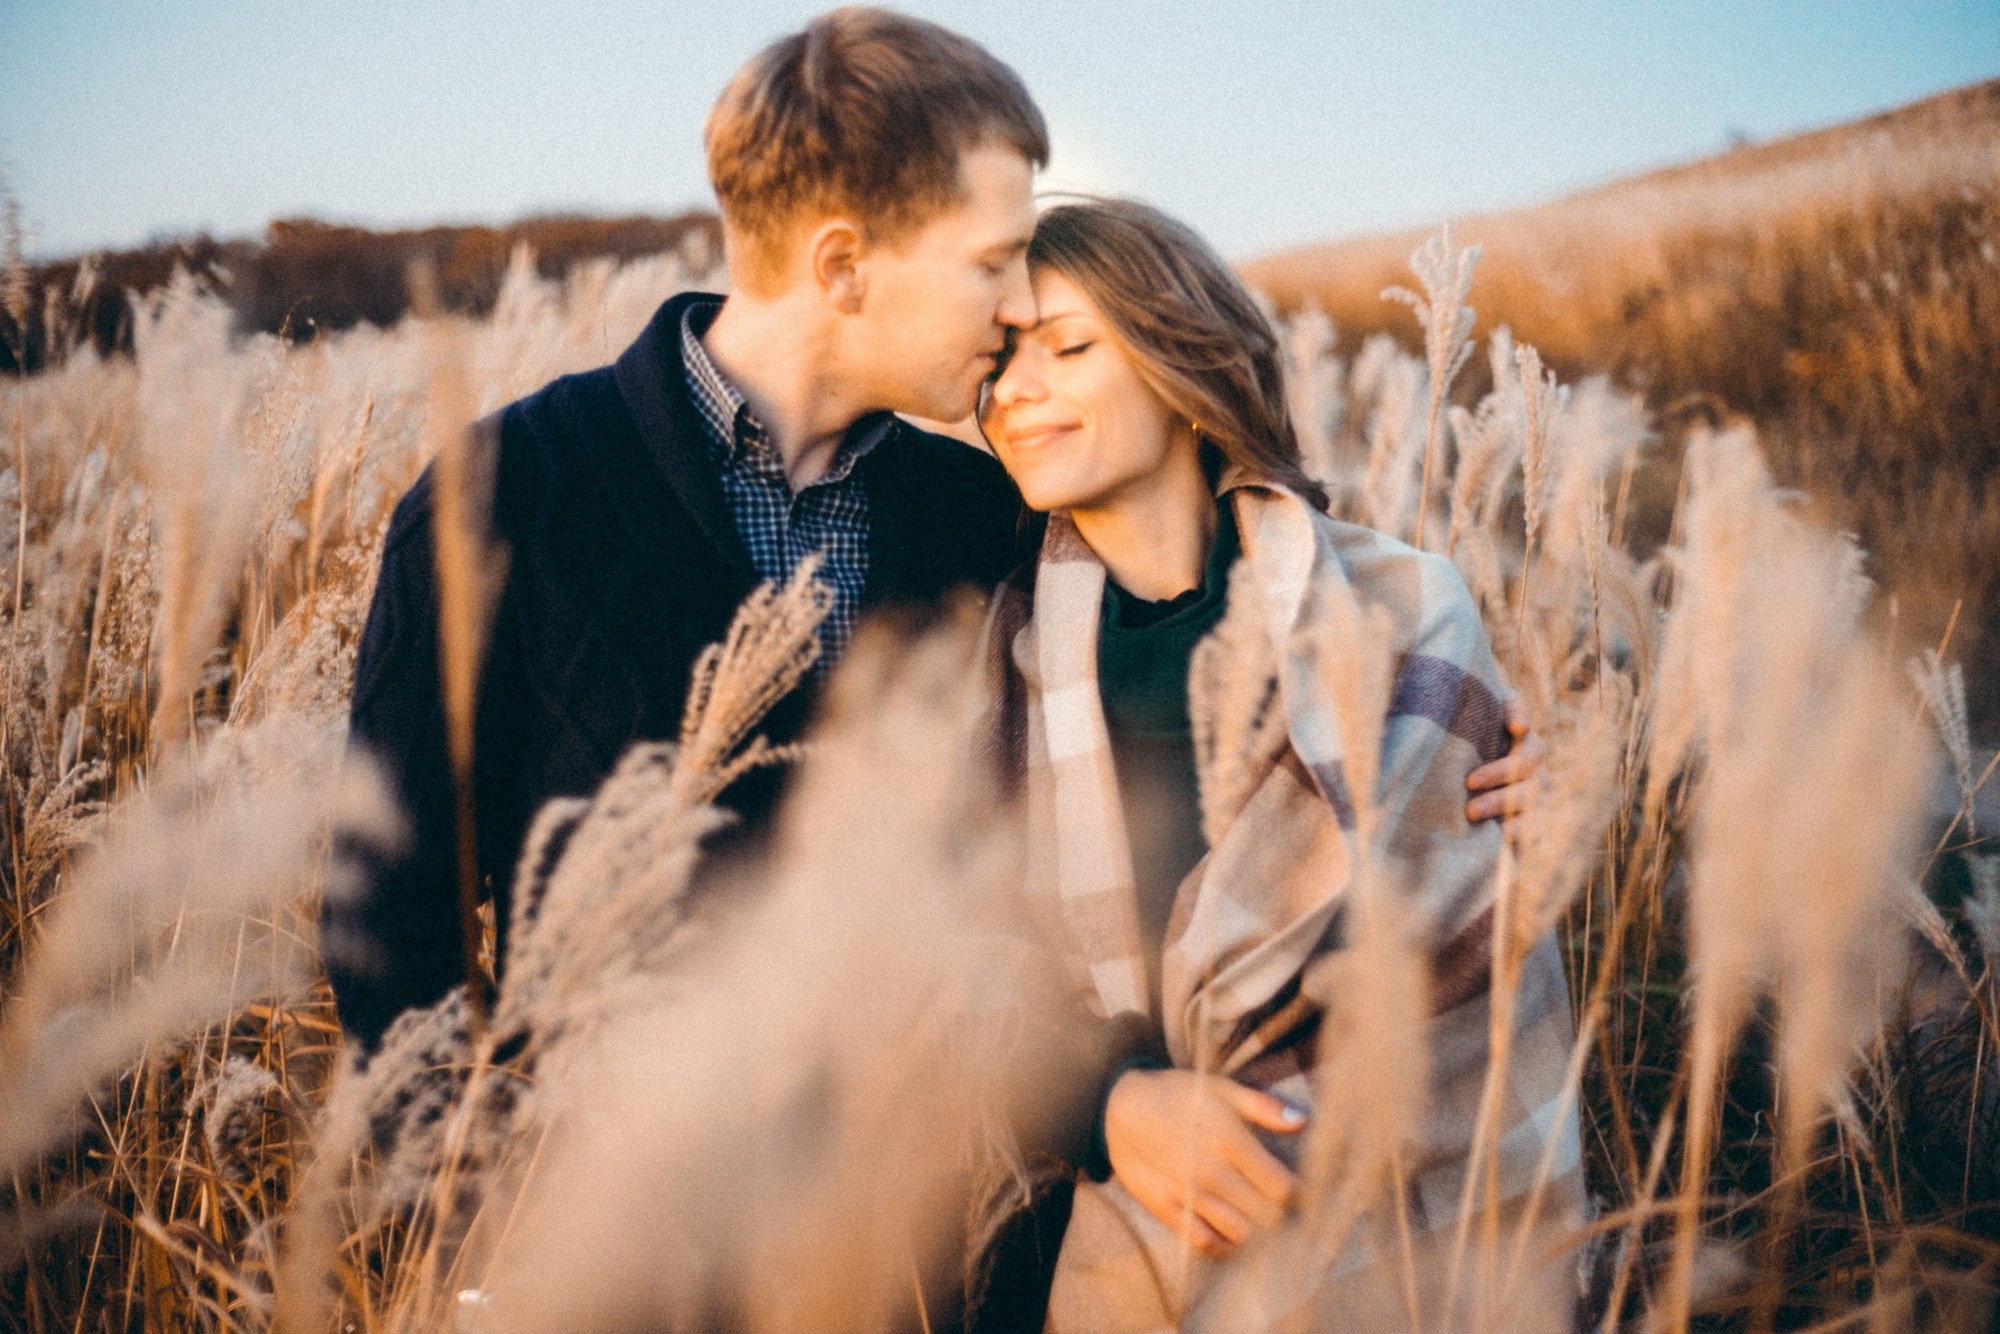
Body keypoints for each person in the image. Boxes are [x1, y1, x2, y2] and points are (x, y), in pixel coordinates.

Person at [975, 199, 1584, 1330]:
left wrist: (1549, 796)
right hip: (1088, 1213)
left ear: (1178, 362)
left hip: (1400, 1226)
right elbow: (951, 957)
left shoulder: (1400, 609)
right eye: (998, 361)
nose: (1014, 389)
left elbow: (1461, 945)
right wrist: (1110, 1106)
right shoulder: (987, 662)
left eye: (1066, 347)